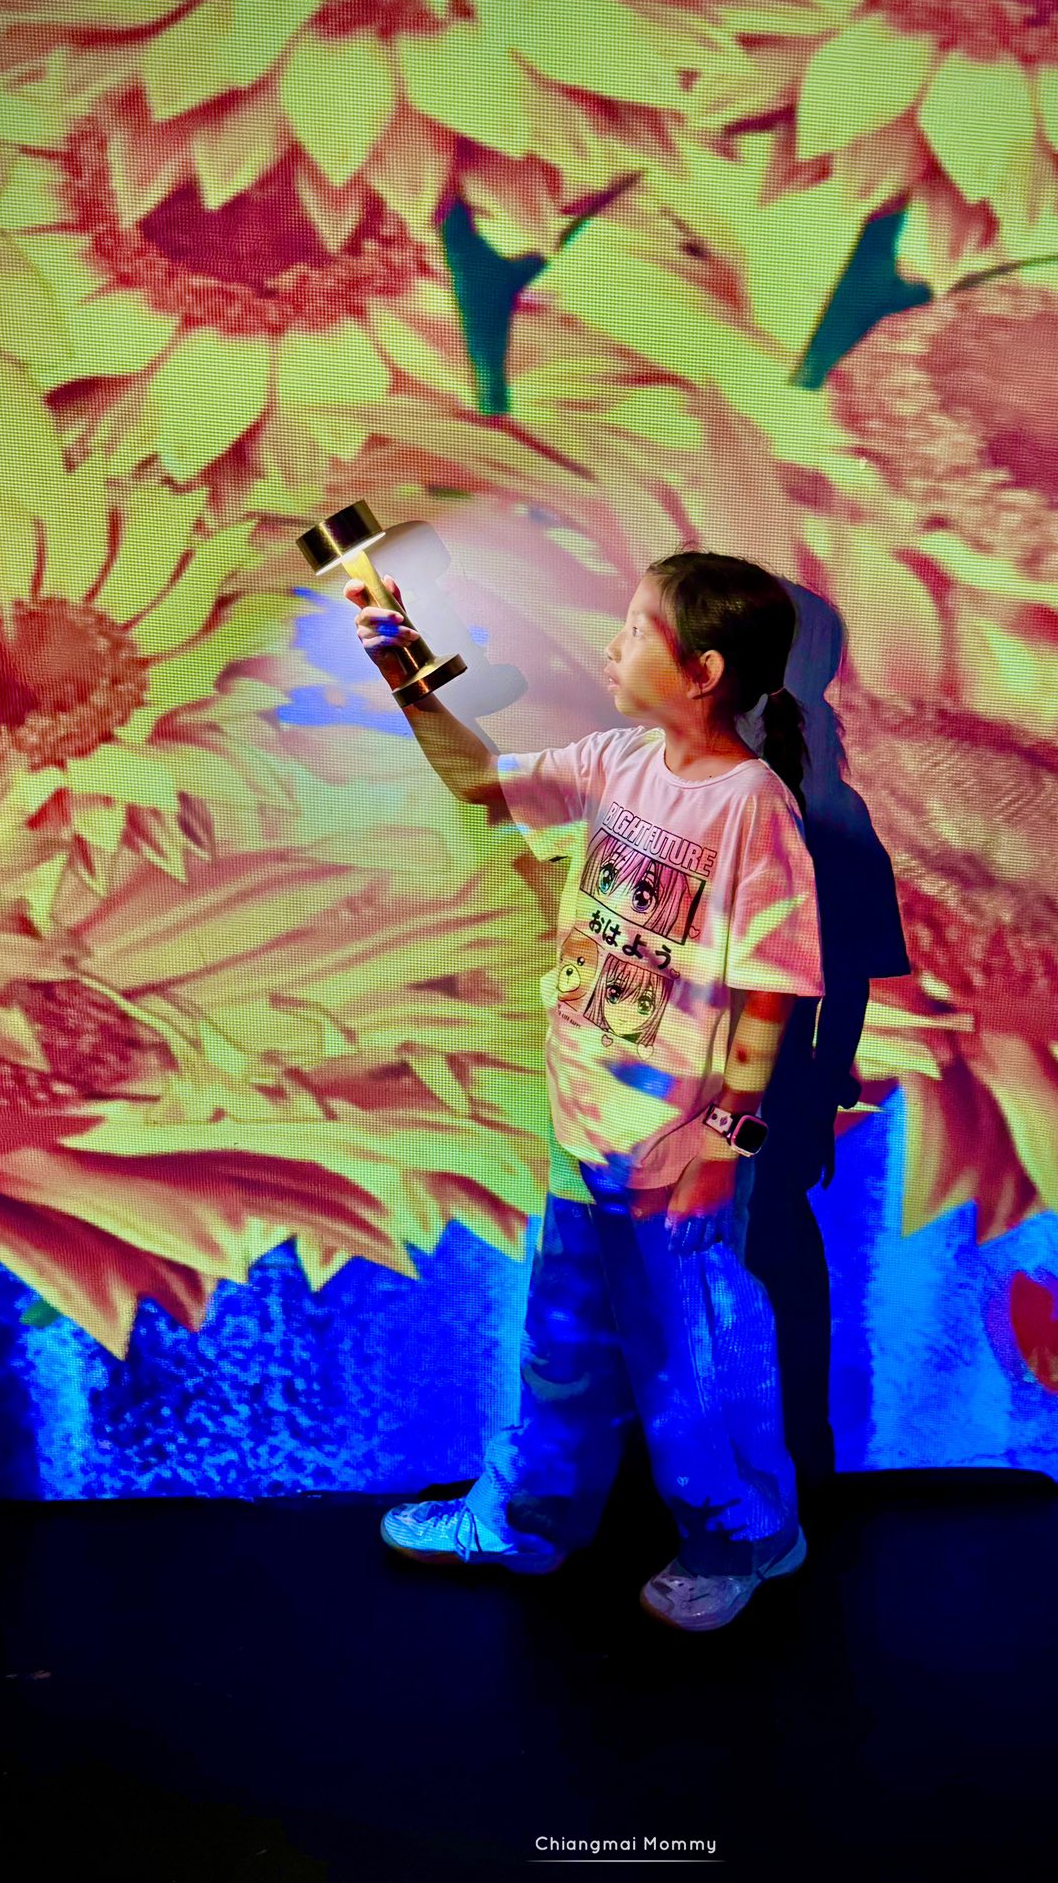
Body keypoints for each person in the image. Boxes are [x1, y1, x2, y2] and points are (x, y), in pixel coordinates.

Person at [349, 550, 826, 1633]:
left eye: (636, 627)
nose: (611, 647)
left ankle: (744, 1536)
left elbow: (772, 986)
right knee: (560, 1340)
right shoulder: (618, 759)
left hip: (673, 1153)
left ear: (702, 670)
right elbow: (482, 780)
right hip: (584, 1125)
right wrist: (404, 672)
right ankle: (528, 1521)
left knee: (688, 1362)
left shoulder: (753, 807)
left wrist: (724, 1146)